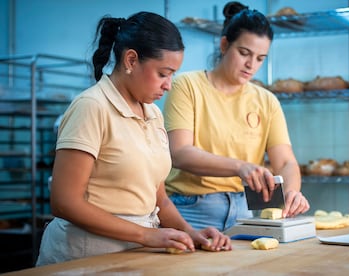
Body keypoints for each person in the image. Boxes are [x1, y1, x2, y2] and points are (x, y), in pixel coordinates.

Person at [36, 11, 231, 266]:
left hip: (134, 255)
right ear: (130, 60)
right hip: (83, 256)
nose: (169, 85)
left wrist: (190, 232)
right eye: (163, 73)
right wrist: (147, 235)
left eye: (173, 74)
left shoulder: (153, 114)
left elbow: (158, 198)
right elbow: (64, 202)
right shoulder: (91, 107)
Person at [163, 2, 310, 232]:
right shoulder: (187, 86)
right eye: (244, 53)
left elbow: (285, 162)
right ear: (224, 45)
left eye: (260, 58)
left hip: (247, 212)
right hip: (191, 211)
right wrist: (240, 167)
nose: (251, 65)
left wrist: (292, 191)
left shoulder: (266, 101)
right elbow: (180, 152)